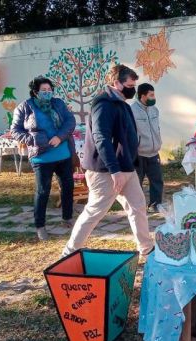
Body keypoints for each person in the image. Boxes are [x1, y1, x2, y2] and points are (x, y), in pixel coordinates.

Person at [62, 64, 154, 258]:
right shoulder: (103, 105)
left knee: (137, 206)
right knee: (95, 211)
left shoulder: (122, 103)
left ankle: (147, 249)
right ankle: (69, 253)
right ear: (116, 83)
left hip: (126, 168)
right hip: (106, 172)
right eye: (130, 84)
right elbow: (101, 138)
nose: (133, 89)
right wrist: (114, 170)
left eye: (134, 84)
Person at [11, 76, 76, 241]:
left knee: (68, 187)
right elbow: (15, 131)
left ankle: (67, 218)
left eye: (49, 90)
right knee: (42, 192)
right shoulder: (25, 107)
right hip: (41, 158)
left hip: (63, 154)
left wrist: (60, 137)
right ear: (35, 92)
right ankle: (40, 226)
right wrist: (35, 140)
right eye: (44, 90)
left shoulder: (58, 103)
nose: (48, 93)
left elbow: (70, 121)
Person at [130, 83, 163, 212]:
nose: (154, 97)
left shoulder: (154, 110)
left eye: (154, 94)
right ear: (142, 96)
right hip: (139, 154)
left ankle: (156, 205)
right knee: (137, 182)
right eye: (151, 95)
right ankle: (137, 207)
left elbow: (157, 129)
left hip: (154, 152)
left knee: (157, 181)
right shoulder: (132, 110)